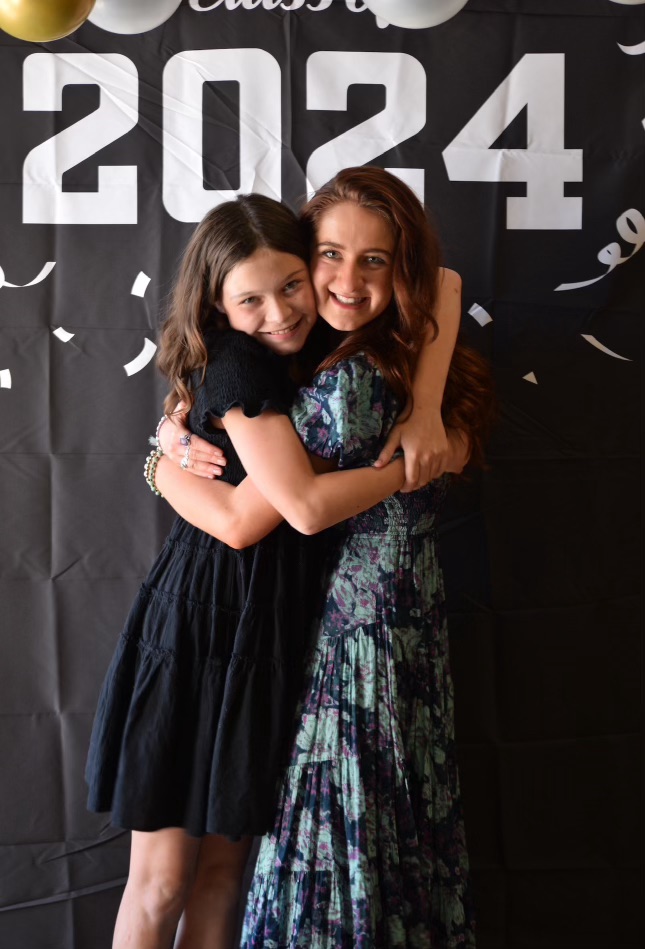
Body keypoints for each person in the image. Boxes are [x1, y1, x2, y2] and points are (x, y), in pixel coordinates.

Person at [85, 191, 468, 949]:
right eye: (251, 300)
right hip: (203, 623)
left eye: (292, 284)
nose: (281, 312)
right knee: (162, 882)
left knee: (226, 876)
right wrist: (415, 462)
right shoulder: (239, 367)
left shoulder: (321, 338)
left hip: (274, 629)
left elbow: (446, 282)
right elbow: (258, 517)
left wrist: (425, 410)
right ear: (217, 306)